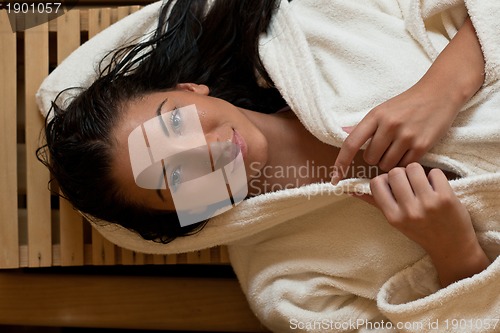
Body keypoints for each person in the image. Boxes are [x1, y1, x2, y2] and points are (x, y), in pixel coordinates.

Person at [37, 0, 499, 331]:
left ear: (190, 88)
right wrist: (456, 255)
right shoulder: (288, 288)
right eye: (174, 179)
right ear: (186, 216)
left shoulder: (318, 25)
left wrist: (443, 86)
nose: (207, 152)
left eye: (175, 124)